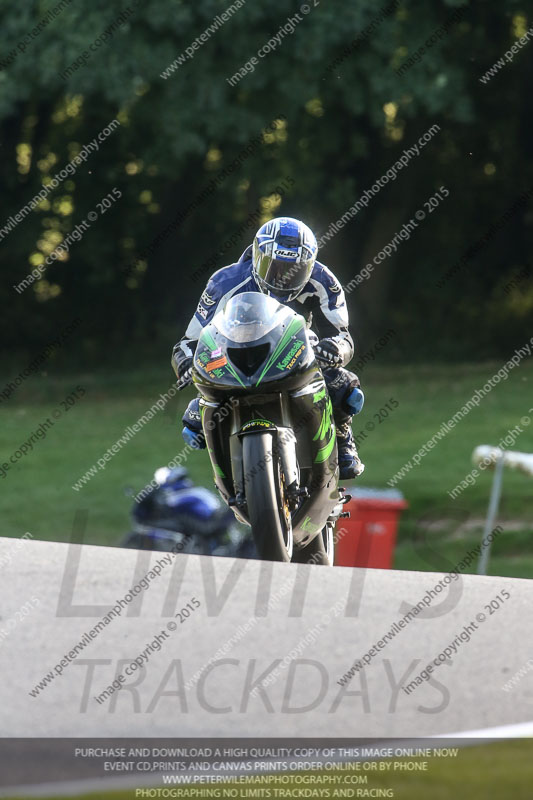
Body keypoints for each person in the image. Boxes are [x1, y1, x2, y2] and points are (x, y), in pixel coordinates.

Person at [172, 216, 365, 479]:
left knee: (343, 384)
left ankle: (343, 440)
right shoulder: (224, 281)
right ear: (257, 257)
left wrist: (335, 349)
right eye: (274, 267)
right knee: (196, 417)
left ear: (309, 266)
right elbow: (187, 343)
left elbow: (342, 336)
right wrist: (186, 363)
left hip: (294, 354)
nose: (283, 278)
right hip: (234, 359)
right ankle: (224, 472)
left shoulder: (323, 280)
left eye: (294, 270)